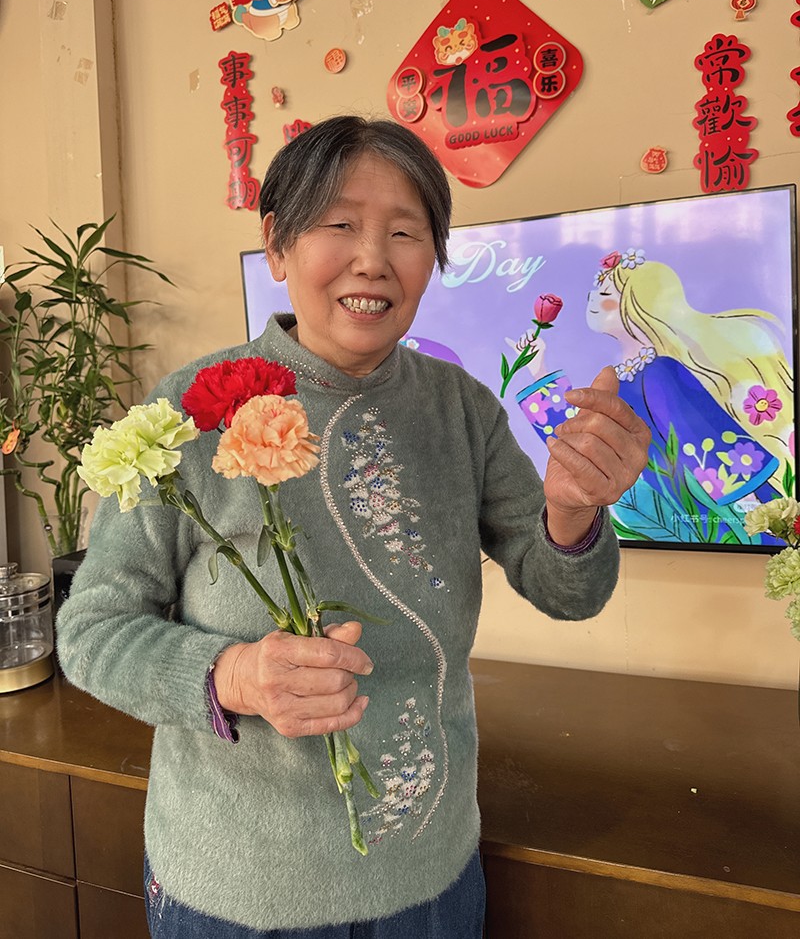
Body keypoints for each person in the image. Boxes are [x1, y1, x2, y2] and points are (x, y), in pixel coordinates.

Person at [57, 116, 650, 938]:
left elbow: (568, 592)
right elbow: (90, 630)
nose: (373, 258)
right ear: (277, 244)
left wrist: (575, 512)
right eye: (339, 224)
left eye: (405, 233)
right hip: (240, 892)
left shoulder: (461, 407)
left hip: (432, 878)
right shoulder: (190, 411)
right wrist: (234, 677)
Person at [517, 248, 793, 545]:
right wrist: (538, 369)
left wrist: (750, 506)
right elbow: (576, 437)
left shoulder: (660, 372)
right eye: (593, 293)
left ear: (639, 304)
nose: (593, 300)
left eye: (605, 295)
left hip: (705, 508)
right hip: (663, 508)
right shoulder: (618, 379)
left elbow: (704, 438)